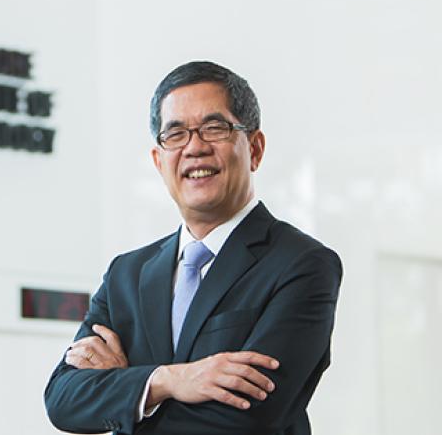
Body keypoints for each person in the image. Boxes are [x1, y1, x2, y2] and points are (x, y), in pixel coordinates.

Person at [44, 61, 342, 435]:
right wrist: (167, 380)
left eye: (214, 129)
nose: (195, 148)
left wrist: (128, 392)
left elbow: (245, 418)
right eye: (176, 134)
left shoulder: (302, 264)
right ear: (159, 161)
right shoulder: (127, 274)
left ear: (255, 149)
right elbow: (63, 400)